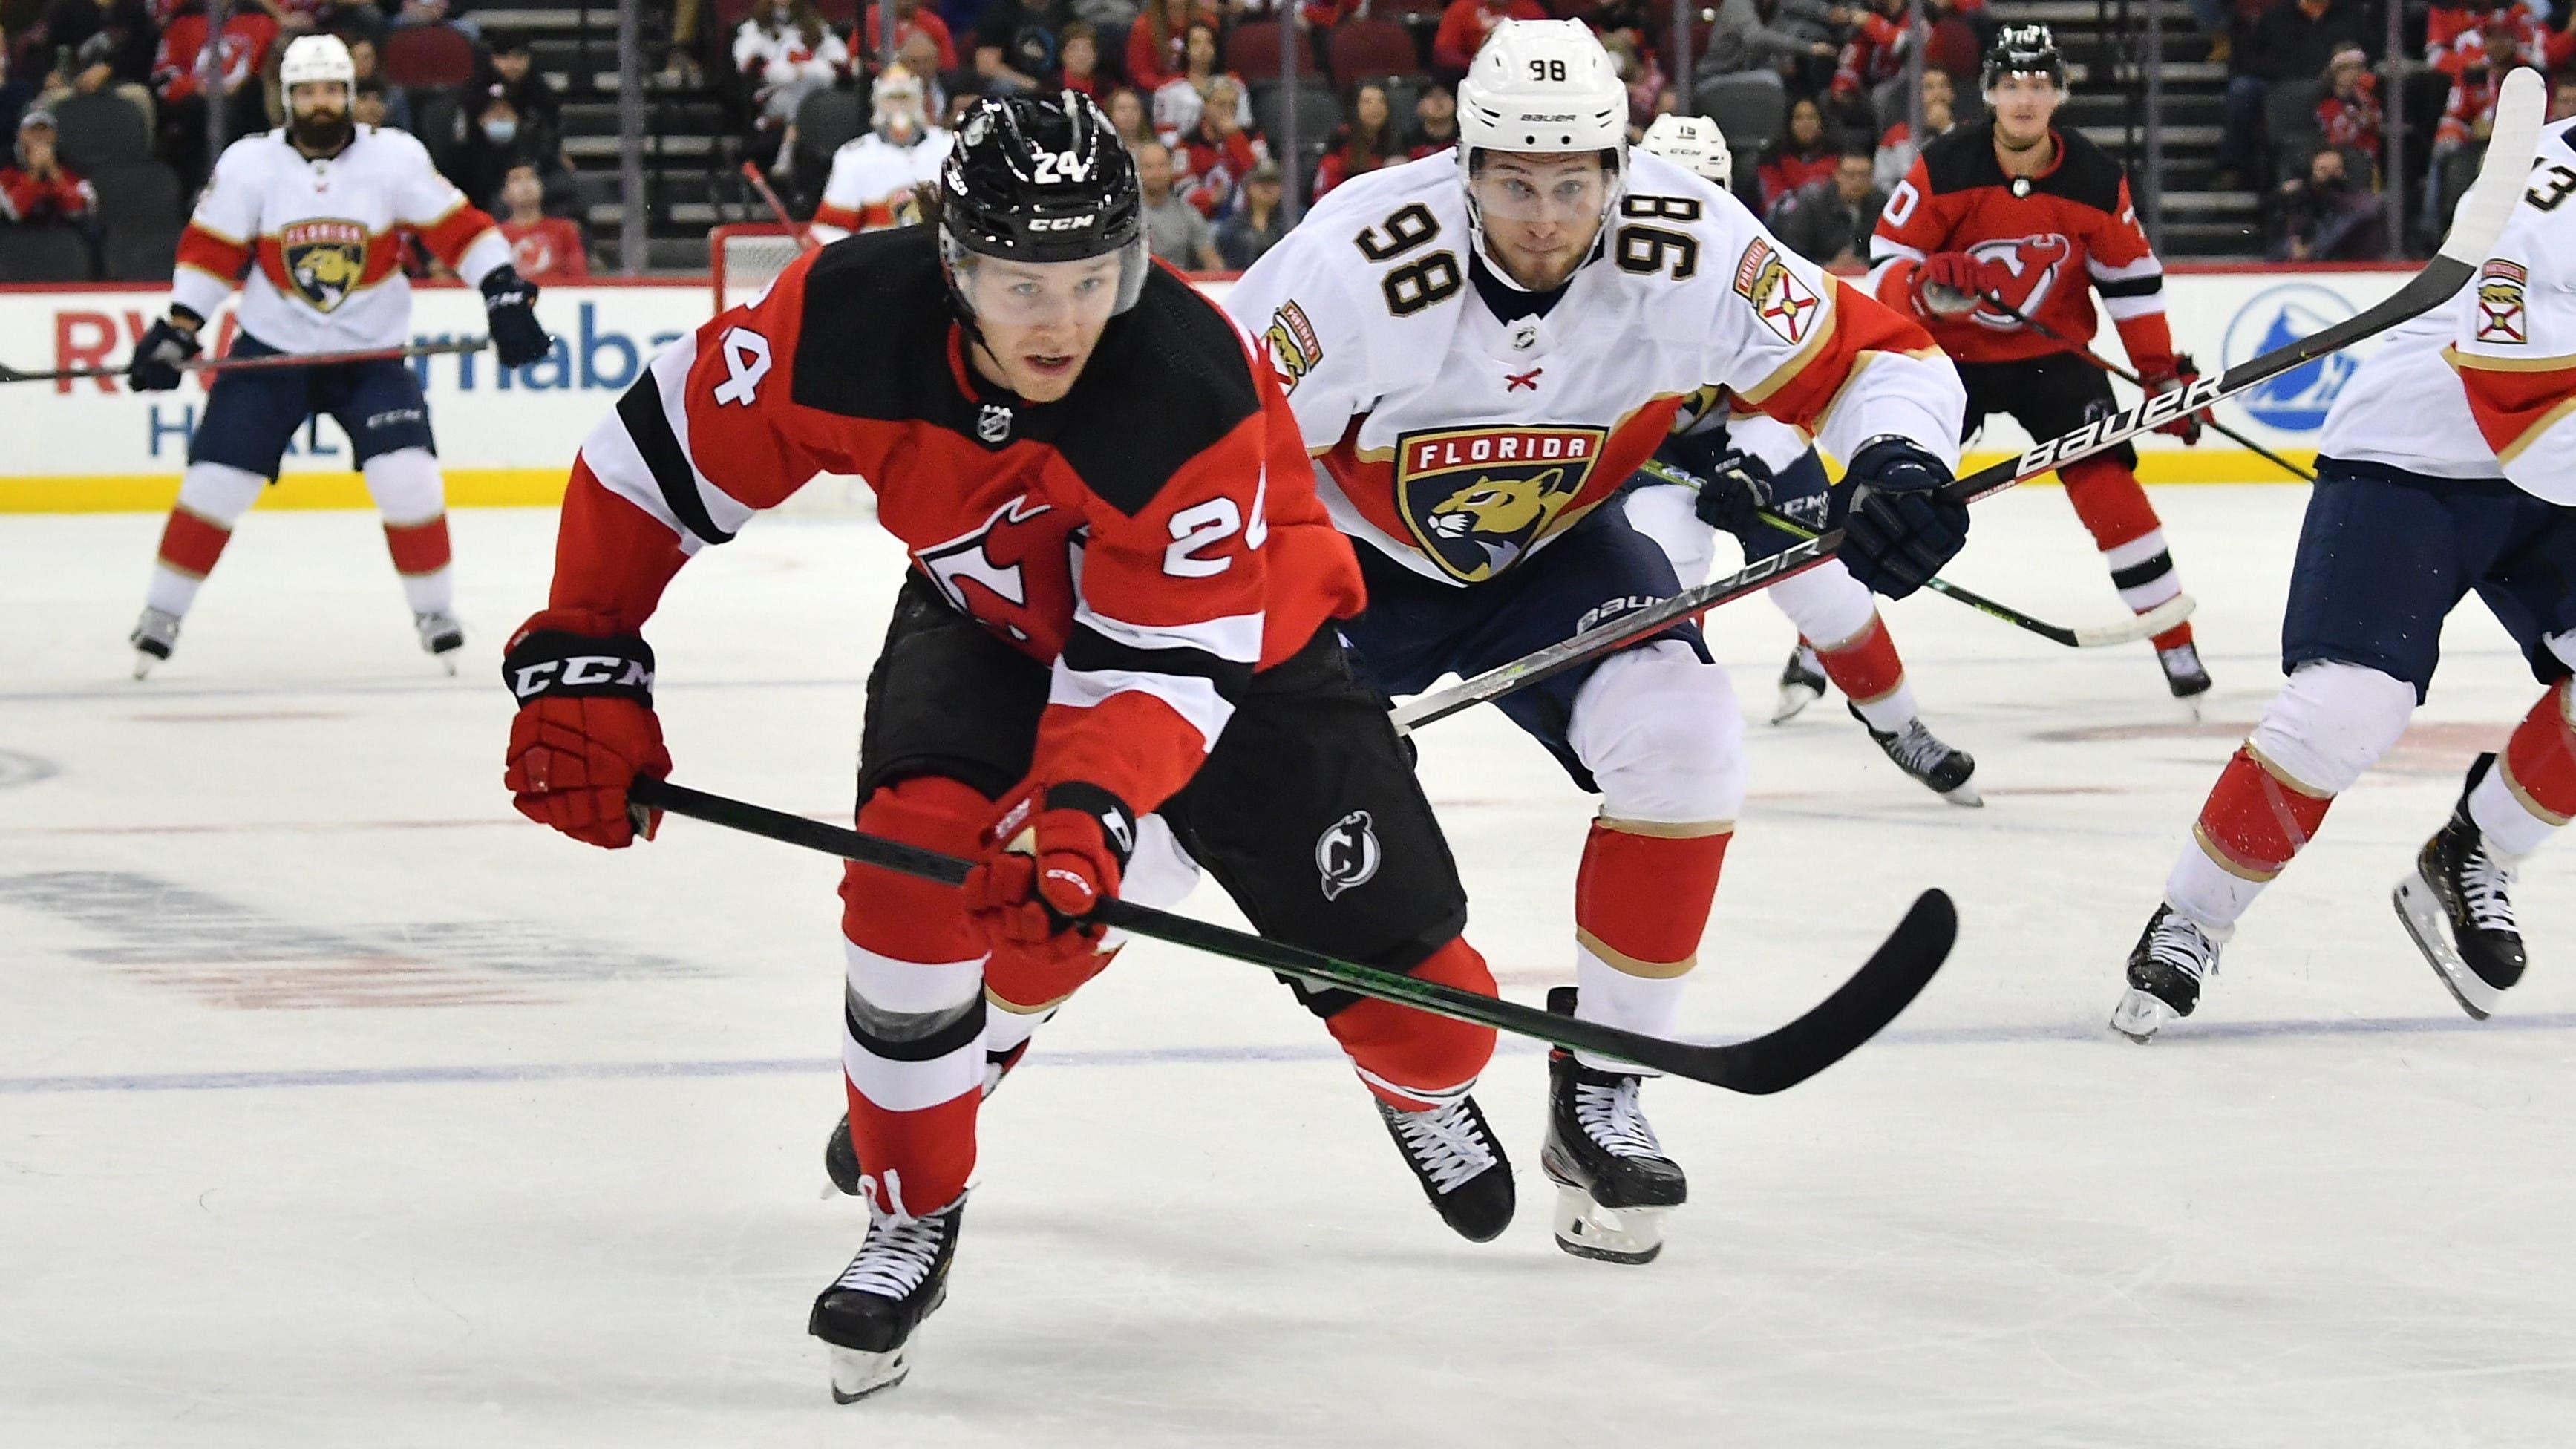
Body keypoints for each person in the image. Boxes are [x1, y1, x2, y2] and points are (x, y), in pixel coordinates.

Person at [503, 91, 1514, 1400]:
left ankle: (1412, 1082)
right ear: (953, 265)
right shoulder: (843, 319)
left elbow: (1164, 670)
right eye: (1020, 285)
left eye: (1093, 279)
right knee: (907, 879)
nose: (1062, 321)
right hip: (986, 620)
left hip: (1238, 655)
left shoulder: (1187, 391)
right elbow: (654, 458)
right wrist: (589, 645)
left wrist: (1080, 815)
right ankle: (912, 1205)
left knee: (1439, 1019)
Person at [1229, 19, 1968, 1266]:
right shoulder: (1355, 263)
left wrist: (1897, 459)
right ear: (1462, 163)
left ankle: (1605, 1083)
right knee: (1189, 837)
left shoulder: (1691, 244)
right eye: (1513, 181)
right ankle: (948, 1071)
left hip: (1556, 547)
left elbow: (1875, 357)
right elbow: (1208, 439)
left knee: (1686, 743)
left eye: (1574, 182)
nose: (1545, 214)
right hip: (1344, 557)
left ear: (1617, 169)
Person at [2113, 114, 2576, 1041]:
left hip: (2552, 470)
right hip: (2419, 449)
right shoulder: (2560, 173)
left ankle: (2474, 851)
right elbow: (2507, 371)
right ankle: (2193, 916)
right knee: (2347, 706)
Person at [118, 35, 551, 676]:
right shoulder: (250, 164)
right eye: (306, 92)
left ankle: (435, 612)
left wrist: (503, 292)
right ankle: (161, 614)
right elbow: (211, 252)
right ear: (285, 99)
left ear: (350, 95)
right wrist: (180, 328)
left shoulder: (395, 159)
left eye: (331, 90)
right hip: (273, 353)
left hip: (371, 359)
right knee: (215, 485)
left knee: (409, 480)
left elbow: (461, 231)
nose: (320, 104)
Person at [1621, 113, 1977, 797]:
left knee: (1826, 591)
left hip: (1757, 441)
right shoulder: (1596, 273)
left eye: (1703, 195)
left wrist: (1751, 463)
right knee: (1663, 581)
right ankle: (1668, 744)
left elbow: (1813, 378)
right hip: (1654, 454)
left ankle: (1898, 726)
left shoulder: (1754, 265)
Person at [1871, 25, 2214, 702]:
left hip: (2053, 361)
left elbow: (2131, 284)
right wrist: (1925, 290)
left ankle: (2175, 642)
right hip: (1953, 358)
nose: (2023, 99)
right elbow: (1888, 267)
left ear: (2059, 94)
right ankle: (1825, 644)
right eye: (2010, 85)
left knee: (2109, 488)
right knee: (1893, 490)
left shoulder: (2095, 179)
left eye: (2037, 85)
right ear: (1989, 92)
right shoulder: (1945, 165)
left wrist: (2159, 375)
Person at [810, 64, 953, 241]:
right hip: (879, 262)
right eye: (892, 98)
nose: (899, 106)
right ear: (878, 102)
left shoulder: (949, 146)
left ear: (920, 101)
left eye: (906, 97)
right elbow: (828, 229)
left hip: (938, 260)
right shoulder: (854, 156)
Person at [734, 0, 849, 174]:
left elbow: (840, 62)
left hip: (814, 96)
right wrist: (788, 73)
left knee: (806, 89)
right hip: (772, 96)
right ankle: (787, 152)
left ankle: (787, 151)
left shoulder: (816, 26)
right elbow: (748, 64)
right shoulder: (755, 27)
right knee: (802, 90)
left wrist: (806, 70)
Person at [1771, 144, 1885, 265]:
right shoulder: (1812, 203)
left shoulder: (1879, 202)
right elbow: (1792, 254)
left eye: (1864, 175)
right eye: (1851, 175)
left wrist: (1865, 264)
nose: (1857, 182)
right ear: (1838, 175)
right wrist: (1827, 266)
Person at [2269, 144, 2382, 261]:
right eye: (2323, 170)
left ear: (2344, 172)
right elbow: (2281, 243)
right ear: (2312, 172)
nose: (2329, 176)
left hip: (2347, 269)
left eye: (2335, 170)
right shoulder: (2299, 200)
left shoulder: (2358, 206)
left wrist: (2312, 249)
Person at [1174, 73, 1258, 216]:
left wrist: (1235, 139)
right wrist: (1210, 199)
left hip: (1245, 217)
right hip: (1202, 218)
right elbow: (1182, 188)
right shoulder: (1187, 143)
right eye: (1220, 105)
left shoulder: (1251, 139)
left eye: (1233, 106)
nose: (1227, 112)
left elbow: (1259, 178)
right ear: (1206, 106)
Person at [0, 107, 95, 226]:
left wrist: (54, 173)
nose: (39, 136)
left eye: (45, 131)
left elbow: (77, 211)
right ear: (20, 135)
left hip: (62, 239)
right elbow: (13, 213)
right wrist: (34, 173)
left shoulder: (72, 166)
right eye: (32, 131)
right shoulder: (5, 167)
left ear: (54, 135)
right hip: (15, 239)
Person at [1134, 137, 1218, 269]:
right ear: (1136, 172)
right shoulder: (1123, 217)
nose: (1156, 173)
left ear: (1171, 168)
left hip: (1176, 283)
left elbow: (1210, 257)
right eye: (1148, 167)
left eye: (1162, 165)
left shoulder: (1188, 214)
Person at [497, 159, 585, 281]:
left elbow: (578, 277)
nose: (525, 184)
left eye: (531, 177)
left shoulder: (565, 230)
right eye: (516, 179)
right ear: (504, 195)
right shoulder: (496, 236)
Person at [1874, 65, 1954, 192]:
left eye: (1944, 86)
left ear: (1952, 94)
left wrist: (1947, 129)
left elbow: (1968, 173)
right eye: (1929, 87)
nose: (1938, 93)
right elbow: (1884, 182)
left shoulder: (1965, 132)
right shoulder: (1897, 135)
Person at [973, 0, 1077, 94]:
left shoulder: (1064, 12)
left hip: (1055, 84)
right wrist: (1033, 85)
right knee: (1005, 87)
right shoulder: (1001, 12)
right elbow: (986, 66)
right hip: (1014, 85)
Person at [1312, 80, 1395, 196]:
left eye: (1381, 102)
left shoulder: (1395, 143)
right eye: (1368, 102)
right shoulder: (1339, 148)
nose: (1376, 107)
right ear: (1355, 108)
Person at [1756, 95, 1836, 214]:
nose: (1806, 123)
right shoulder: (1772, 157)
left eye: (1811, 117)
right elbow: (1774, 202)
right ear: (1789, 123)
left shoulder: (1836, 155)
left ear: (1821, 123)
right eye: (1799, 118)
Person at [1432, 0, 1546, 79]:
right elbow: (1445, 51)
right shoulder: (1462, 7)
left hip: (1519, 79)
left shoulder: (1532, 12)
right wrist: (1476, 68)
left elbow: (1544, 52)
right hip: (1469, 77)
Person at [1214, 154, 1287, 266]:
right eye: (1261, 182)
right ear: (1248, 187)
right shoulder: (1232, 228)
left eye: (1273, 182)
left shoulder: (1293, 224)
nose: (1266, 187)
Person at [1407, 80, 1458, 158]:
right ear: (1419, 107)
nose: (1438, 101)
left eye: (1444, 95)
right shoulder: (1408, 143)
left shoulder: (1467, 141)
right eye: (1431, 96)